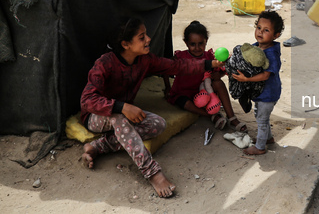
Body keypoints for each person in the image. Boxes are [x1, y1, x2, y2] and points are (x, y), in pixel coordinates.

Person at [80, 17, 223, 198]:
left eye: (146, 34)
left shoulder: (145, 60)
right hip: (95, 116)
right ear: (125, 44)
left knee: (158, 124)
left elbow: (176, 66)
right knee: (119, 117)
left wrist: (209, 64)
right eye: (142, 37)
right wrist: (122, 107)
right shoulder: (105, 63)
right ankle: (153, 173)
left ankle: (97, 146)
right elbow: (87, 100)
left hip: (123, 113)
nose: (148, 39)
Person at [163, 20, 247, 132]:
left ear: (206, 41)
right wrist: (168, 87)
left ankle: (231, 117)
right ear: (186, 43)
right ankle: (212, 116)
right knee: (186, 104)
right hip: (184, 93)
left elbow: (221, 71)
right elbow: (165, 68)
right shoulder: (181, 57)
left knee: (219, 84)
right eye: (193, 44)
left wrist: (218, 75)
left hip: (203, 91)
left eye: (200, 43)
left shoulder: (209, 57)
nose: (197, 48)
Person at [232, 10, 284, 155]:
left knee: (261, 119)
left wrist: (246, 79)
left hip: (268, 94)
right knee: (261, 115)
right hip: (261, 93)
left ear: (276, 35)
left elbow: (266, 76)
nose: (260, 32)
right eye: (259, 28)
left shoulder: (272, 53)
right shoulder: (256, 47)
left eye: (266, 30)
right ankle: (268, 138)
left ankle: (260, 147)